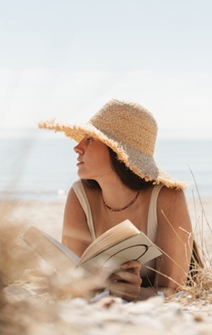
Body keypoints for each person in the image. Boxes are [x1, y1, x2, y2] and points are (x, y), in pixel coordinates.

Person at [39, 99, 199, 301]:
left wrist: (137, 293)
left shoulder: (168, 197)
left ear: (117, 152)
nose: (77, 147)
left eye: (89, 139)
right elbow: (75, 277)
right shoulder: (80, 195)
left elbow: (175, 290)